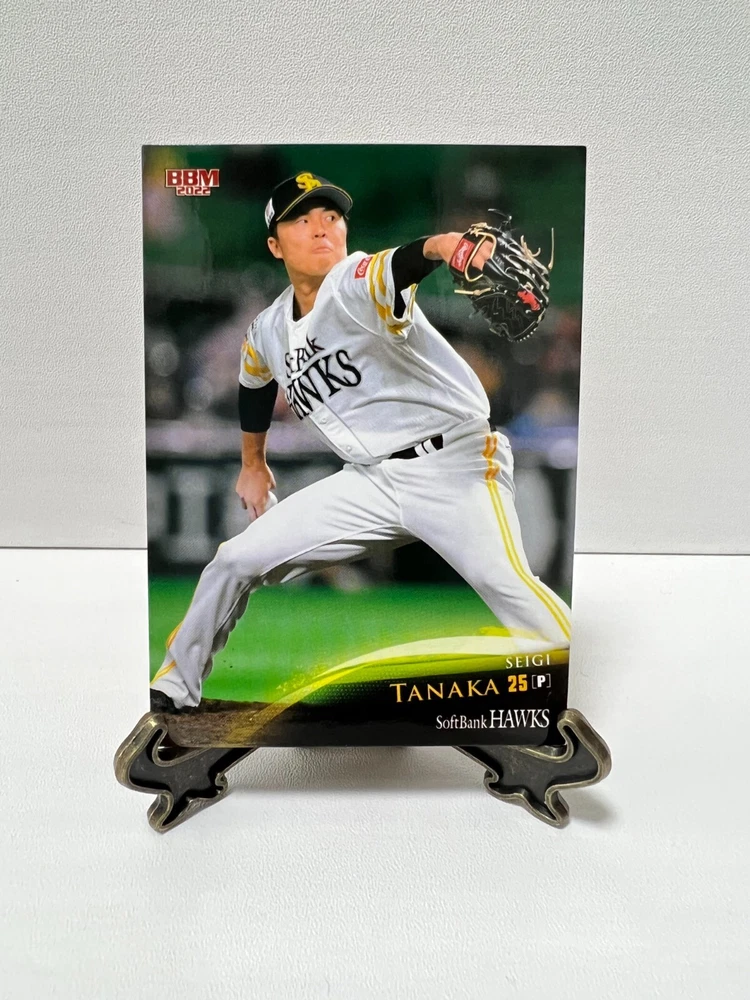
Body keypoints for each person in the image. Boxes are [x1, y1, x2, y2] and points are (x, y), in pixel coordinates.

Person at [150, 172, 571, 713]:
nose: (322, 228)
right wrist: (253, 462)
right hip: (369, 481)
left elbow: (405, 262)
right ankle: (174, 692)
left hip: (456, 466)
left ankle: (572, 692)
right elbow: (254, 381)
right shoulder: (268, 329)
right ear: (275, 246)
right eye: (302, 220)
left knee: (508, 586)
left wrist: (446, 245)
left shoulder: (353, 280)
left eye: (331, 216)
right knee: (234, 560)